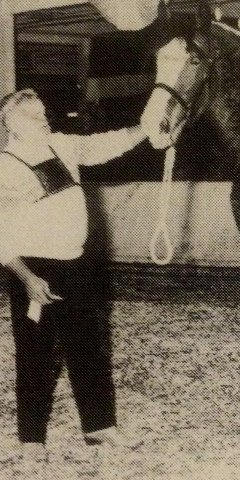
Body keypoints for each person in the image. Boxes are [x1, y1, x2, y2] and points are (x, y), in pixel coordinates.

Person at [0, 89, 147, 473]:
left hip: (76, 264)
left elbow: (105, 145)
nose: (44, 119)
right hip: (35, 270)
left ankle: (100, 427)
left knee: (89, 347)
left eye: (44, 112)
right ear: (12, 124)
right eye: (35, 116)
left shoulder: (62, 146)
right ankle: (32, 439)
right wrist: (28, 278)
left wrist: (148, 128)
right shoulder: (4, 166)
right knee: (36, 355)